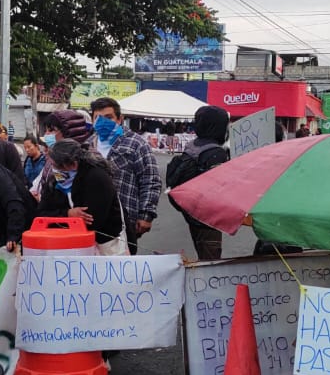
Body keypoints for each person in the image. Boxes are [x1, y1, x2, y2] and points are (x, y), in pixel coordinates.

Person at [89, 97, 161, 255]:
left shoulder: (136, 144)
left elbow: (150, 180)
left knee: (124, 269)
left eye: (108, 117)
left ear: (120, 119)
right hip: (94, 222)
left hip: (125, 221)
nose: (102, 122)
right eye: (98, 118)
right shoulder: (88, 146)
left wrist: (146, 215)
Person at [167, 106, 230, 260]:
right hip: (208, 216)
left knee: (202, 251)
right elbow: (219, 187)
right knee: (211, 261)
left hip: (192, 211)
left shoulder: (193, 146)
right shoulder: (216, 152)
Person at [37, 140, 124, 249]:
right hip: (65, 245)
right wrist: (68, 214)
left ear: (73, 164)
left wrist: (61, 220)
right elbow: (41, 214)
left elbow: (91, 221)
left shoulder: (96, 178)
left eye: (56, 166)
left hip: (104, 244)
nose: (54, 170)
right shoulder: (53, 182)